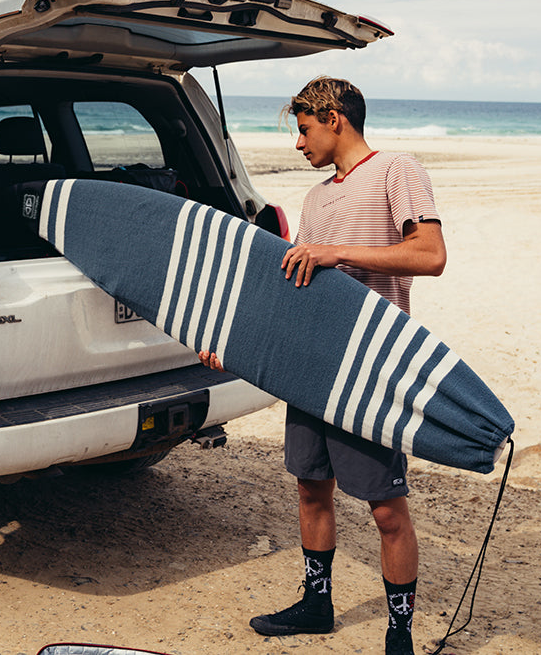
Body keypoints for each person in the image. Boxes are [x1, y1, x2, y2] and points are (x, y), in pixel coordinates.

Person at [199, 76, 446, 655]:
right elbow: (296, 290)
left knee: (386, 509)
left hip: (370, 366)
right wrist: (233, 343)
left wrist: (337, 252)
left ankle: (399, 634)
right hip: (312, 364)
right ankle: (317, 604)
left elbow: (430, 254)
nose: (298, 142)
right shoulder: (315, 200)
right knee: (311, 488)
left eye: (305, 129)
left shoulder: (396, 170)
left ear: (335, 118)